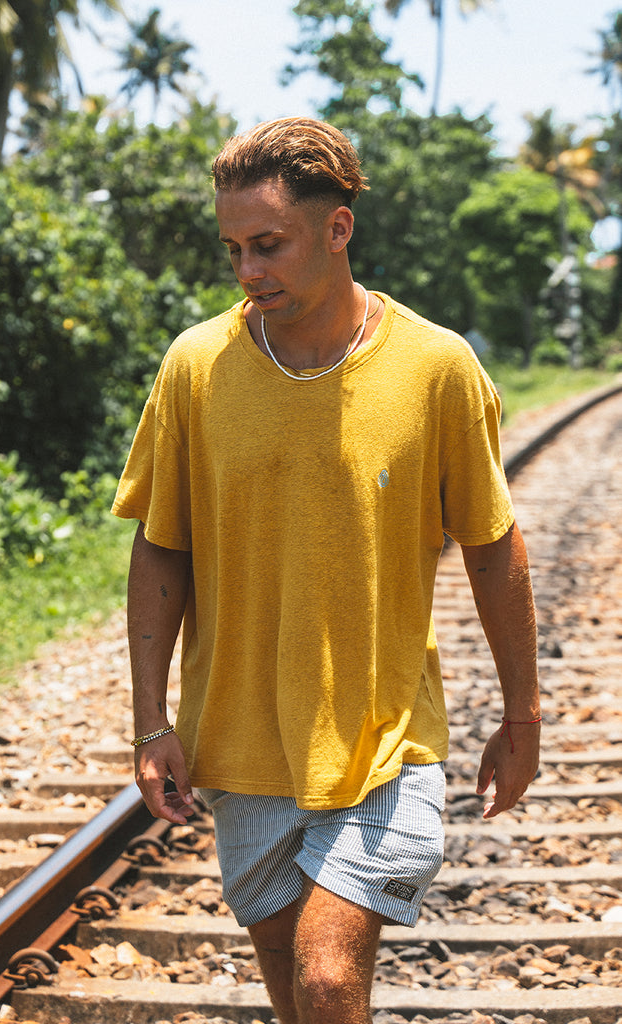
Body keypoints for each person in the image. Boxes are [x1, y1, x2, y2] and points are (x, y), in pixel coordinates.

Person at [112, 116, 540, 1024]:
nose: (247, 271)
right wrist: (151, 722)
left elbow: (493, 542)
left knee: (326, 979)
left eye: (268, 245)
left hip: (387, 741)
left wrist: (520, 715)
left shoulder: (435, 368)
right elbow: (161, 546)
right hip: (243, 739)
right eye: (233, 248)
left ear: (337, 229)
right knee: (294, 993)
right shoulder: (195, 369)